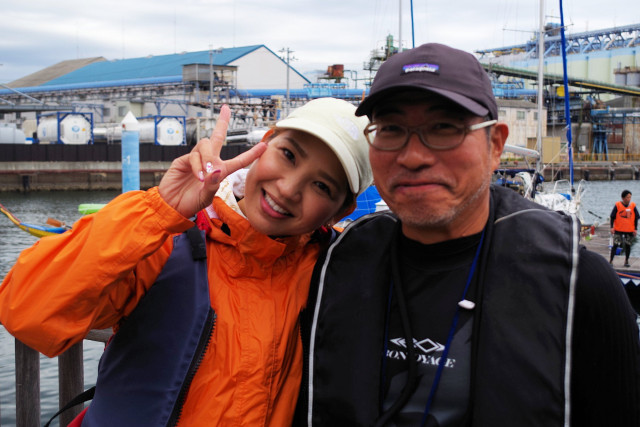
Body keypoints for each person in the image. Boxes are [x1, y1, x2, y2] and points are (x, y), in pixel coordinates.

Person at [294, 43, 640, 426]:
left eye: (444, 128)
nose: (413, 156)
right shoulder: (332, 268)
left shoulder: (580, 286)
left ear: (495, 145)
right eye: (391, 129)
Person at [0, 97, 372, 426]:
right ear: (264, 143)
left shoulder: (337, 276)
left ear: (340, 211)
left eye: (321, 186)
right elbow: (27, 311)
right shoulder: (164, 241)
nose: (288, 189)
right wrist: (158, 209)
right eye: (288, 155)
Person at [609, 189, 638, 267]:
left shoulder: (633, 206)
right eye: (627, 197)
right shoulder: (618, 205)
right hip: (619, 229)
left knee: (628, 245)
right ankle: (611, 261)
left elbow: (636, 217)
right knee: (615, 245)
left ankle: (626, 261)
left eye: (630, 197)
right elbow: (612, 216)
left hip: (629, 229)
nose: (629, 199)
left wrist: (635, 229)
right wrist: (612, 227)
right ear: (623, 198)